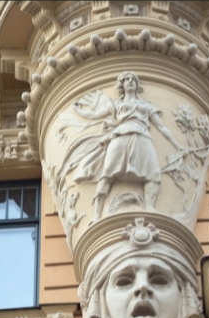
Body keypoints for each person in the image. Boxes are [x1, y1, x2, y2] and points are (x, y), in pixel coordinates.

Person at [62, 72, 187, 223]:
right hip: (120, 138)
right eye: (127, 79)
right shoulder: (116, 104)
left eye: (133, 79)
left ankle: (150, 209)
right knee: (107, 174)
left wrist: (177, 146)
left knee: (153, 173)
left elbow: (161, 127)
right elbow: (95, 115)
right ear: (121, 85)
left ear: (136, 84)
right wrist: (78, 110)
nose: (130, 81)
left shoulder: (146, 105)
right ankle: (96, 215)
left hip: (142, 137)